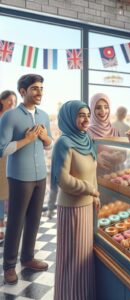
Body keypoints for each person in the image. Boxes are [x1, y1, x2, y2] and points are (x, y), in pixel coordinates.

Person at [0, 74, 52, 285]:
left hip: (41, 175)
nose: (39, 92)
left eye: (41, 88)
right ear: (23, 92)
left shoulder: (44, 115)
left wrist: (42, 137)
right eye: (34, 88)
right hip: (19, 177)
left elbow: (48, 144)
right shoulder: (10, 117)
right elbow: (3, 149)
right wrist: (27, 139)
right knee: (15, 221)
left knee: (34, 219)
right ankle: (9, 267)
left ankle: (28, 258)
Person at [51, 100, 99, 300]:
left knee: (83, 259)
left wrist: (97, 194)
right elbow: (63, 180)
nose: (86, 118)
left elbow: (92, 172)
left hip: (87, 207)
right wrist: (90, 190)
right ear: (70, 118)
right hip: (71, 209)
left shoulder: (87, 139)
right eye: (81, 115)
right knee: (73, 260)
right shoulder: (63, 142)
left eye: (87, 114)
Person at [88, 93, 125, 174]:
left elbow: (123, 153)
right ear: (92, 109)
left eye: (106, 107)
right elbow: (78, 157)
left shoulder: (115, 130)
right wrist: (94, 158)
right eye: (98, 108)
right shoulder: (86, 132)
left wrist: (120, 157)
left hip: (115, 176)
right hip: (95, 178)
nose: (103, 111)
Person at [0, 90, 17, 241]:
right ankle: (0, 225)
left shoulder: (13, 118)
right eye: (9, 100)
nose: (12, 103)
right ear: (2, 101)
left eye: (14, 100)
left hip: (11, 159)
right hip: (1, 159)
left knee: (10, 192)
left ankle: (9, 225)